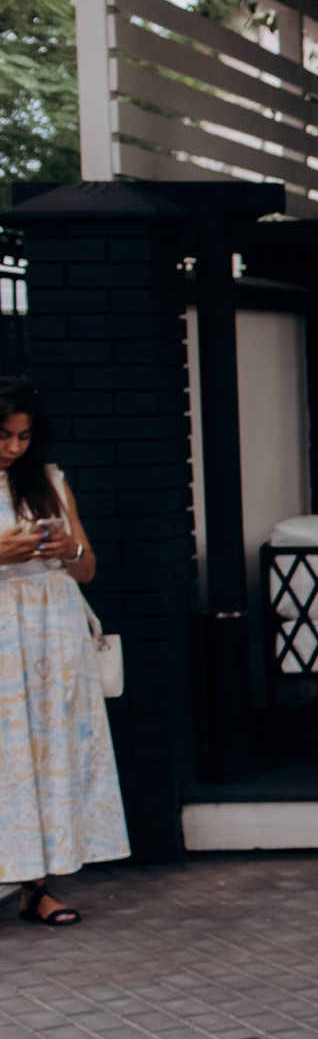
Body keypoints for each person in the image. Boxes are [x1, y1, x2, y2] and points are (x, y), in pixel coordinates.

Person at [0, 377, 126, 927]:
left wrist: (67, 547)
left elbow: (87, 568)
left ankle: (37, 887)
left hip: (53, 632)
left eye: (25, 436)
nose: (14, 447)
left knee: (48, 749)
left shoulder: (48, 481)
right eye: (4, 435)